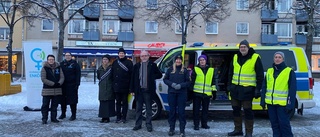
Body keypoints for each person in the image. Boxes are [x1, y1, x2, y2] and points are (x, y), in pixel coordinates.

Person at [227, 40, 264, 137]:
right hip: (235, 89)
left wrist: (257, 89)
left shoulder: (255, 58)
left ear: (248, 48)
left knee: (248, 111)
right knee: (235, 110)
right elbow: (230, 73)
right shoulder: (235, 57)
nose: (242, 48)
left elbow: (260, 75)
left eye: (244, 47)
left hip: (248, 90)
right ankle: (238, 130)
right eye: (241, 47)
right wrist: (229, 86)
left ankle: (249, 132)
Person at [260, 51, 296, 137]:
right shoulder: (269, 71)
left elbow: (292, 90)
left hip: (282, 105)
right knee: (274, 125)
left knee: (284, 125)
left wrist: (290, 104)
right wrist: (262, 100)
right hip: (271, 104)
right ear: (273, 59)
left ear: (283, 59)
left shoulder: (289, 71)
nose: (277, 59)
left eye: (279, 57)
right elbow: (264, 87)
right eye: (276, 57)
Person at [130, 50, 162, 132]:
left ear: (148, 56)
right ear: (140, 57)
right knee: (138, 109)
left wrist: (152, 76)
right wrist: (132, 90)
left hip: (148, 90)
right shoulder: (136, 66)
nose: (144, 57)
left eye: (145, 56)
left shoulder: (153, 65)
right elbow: (132, 79)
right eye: (142, 56)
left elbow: (159, 75)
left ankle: (148, 124)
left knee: (148, 108)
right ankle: (138, 124)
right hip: (139, 90)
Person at [163, 55, 191, 137]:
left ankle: (182, 130)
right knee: (172, 112)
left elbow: (188, 82)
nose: (178, 61)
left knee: (181, 112)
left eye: (179, 60)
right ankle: (172, 129)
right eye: (177, 59)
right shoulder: (170, 69)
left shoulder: (185, 71)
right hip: (172, 93)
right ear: (175, 61)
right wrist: (172, 84)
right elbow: (165, 79)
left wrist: (181, 85)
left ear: (182, 61)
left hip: (182, 94)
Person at [191, 54, 216, 130]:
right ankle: (196, 125)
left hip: (207, 93)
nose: (202, 61)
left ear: (206, 61)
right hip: (197, 93)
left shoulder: (211, 70)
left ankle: (204, 124)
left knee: (205, 110)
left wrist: (214, 92)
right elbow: (192, 81)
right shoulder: (195, 69)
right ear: (199, 61)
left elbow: (213, 82)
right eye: (200, 60)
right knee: (196, 110)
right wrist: (191, 92)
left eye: (203, 60)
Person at [40, 54, 64, 124]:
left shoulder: (58, 67)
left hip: (57, 90)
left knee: (54, 106)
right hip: (47, 90)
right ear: (47, 60)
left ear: (54, 60)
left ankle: (54, 118)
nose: (51, 61)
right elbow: (43, 79)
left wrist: (59, 83)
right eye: (50, 59)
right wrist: (53, 84)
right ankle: (44, 119)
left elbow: (62, 77)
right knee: (45, 105)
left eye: (52, 59)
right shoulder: (44, 68)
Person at [112, 47, 133, 123]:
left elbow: (131, 75)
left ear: (124, 54)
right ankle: (118, 116)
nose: (121, 54)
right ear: (118, 54)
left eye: (122, 53)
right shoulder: (115, 62)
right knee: (117, 102)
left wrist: (131, 87)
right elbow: (112, 75)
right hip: (116, 87)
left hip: (125, 86)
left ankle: (124, 117)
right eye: (120, 53)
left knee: (124, 102)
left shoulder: (129, 63)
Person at [59, 52, 81, 121]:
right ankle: (63, 114)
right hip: (63, 85)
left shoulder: (75, 64)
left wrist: (77, 84)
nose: (67, 57)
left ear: (71, 56)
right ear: (64, 56)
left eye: (69, 55)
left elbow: (78, 74)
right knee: (63, 100)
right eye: (66, 55)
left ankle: (73, 115)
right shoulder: (61, 64)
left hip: (72, 85)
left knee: (73, 101)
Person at [97, 54, 115, 123]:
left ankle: (107, 117)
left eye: (106, 59)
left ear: (108, 61)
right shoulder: (100, 69)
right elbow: (99, 77)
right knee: (102, 103)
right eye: (104, 59)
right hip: (102, 88)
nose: (105, 61)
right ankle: (102, 116)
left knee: (108, 103)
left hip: (109, 87)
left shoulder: (111, 68)